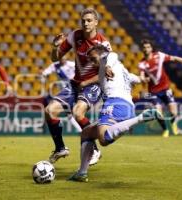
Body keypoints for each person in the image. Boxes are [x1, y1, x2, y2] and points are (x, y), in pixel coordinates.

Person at [68, 44, 162, 182]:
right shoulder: (118, 70)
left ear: (103, 56)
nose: (92, 63)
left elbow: (113, 55)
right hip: (126, 106)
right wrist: (140, 80)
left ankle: (142, 117)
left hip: (115, 104)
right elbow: (134, 78)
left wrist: (107, 66)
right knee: (87, 133)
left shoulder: (110, 60)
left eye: (93, 58)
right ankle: (81, 173)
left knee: (103, 139)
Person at [45, 7, 112, 165]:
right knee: (49, 111)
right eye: (83, 20)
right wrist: (55, 47)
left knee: (77, 112)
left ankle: (95, 149)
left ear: (96, 22)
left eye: (89, 20)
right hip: (75, 83)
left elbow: (107, 73)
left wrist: (87, 82)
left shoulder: (103, 44)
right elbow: (55, 59)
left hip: (94, 84)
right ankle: (60, 148)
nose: (86, 23)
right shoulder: (75, 36)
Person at [138, 39, 182, 138]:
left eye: (148, 47)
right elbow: (141, 76)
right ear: (142, 49)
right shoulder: (142, 63)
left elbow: (174, 58)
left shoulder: (159, 55)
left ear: (151, 48)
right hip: (153, 92)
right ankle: (165, 129)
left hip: (165, 89)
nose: (146, 49)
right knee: (158, 112)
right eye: (144, 48)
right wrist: (144, 79)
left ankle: (173, 123)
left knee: (173, 112)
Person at [40, 57, 82, 132]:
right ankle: (81, 130)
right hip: (64, 92)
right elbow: (45, 72)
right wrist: (43, 74)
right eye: (61, 57)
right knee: (69, 112)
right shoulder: (55, 65)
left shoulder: (72, 65)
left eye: (64, 57)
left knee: (72, 112)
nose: (63, 59)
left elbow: (81, 71)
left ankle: (82, 130)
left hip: (72, 90)